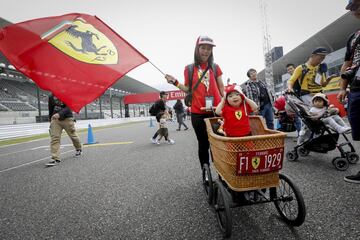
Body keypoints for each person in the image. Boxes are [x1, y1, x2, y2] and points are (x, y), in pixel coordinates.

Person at [165, 35, 224, 170]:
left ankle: (222, 171)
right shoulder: (189, 68)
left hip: (216, 111)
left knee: (219, 142)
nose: (206, 51)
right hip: (198, 112)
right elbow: (188, 89)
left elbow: (221, 88)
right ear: (197, 49)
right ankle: (206, 170)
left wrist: (227, 101)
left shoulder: (215, 67)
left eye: (209, 48)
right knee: (203, 143)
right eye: (203, 48)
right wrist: (175, 82)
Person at [338, 0, 360, 183]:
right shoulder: (353, 37)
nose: (355, 10)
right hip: (356, 88)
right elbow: (347, 62)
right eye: (352, 7)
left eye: (358, 5)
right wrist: (342, 88)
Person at [47, 93, 82, 166]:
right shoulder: (51, 96)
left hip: (67, 118)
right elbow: (50, 108)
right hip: (55, 120)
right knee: (54, 138)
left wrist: (59, 114)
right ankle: (55, 158)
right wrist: (50, 120)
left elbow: (69, 107)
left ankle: (78, 148)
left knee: (73, 136)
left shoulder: (67, 93)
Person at [286, 63, 302, 134]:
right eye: (288, 70)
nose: (290, 70)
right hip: (295, 100)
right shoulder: (290, 81)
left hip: (302, 98)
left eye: (291, 68)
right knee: (297, 118)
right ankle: (300, 135)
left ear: (295, 68)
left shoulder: (300, 77)